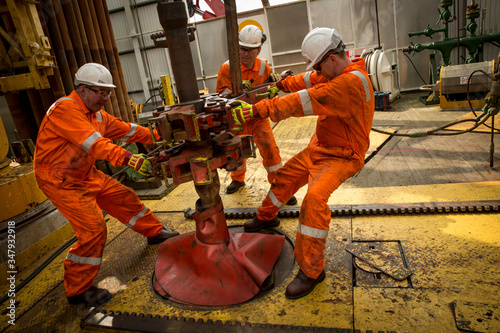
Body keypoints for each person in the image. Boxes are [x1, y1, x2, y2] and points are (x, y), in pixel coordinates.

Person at [230, 27, 375, 299]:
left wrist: (258, 109)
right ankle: (266, 217)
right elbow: (308, 79)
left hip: (343, 155)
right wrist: (282, 83)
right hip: (322, 146)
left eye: (320, 65)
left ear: (332, 59)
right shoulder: (341, 68)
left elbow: (301, 102)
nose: (318, 71)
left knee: (313, 202)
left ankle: (311, 271)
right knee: (285, 178)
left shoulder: (349, 84)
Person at [33, 63, 180, 306]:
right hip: (59, 179)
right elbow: (95, 144)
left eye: (107, 92)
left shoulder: (97, 115)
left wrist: (160, 134)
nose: (105, 97)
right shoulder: (65, 109)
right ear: (81, 89)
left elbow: (128, 130)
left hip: (84, 174)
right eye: (99, 92)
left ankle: (154, 232)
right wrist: (129, 158)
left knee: (125, 197)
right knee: (93, 229)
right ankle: (78, 290)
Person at [216, 25, 297, 205]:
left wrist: (274, 83)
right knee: (236, 149)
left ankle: (279, 187)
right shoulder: (227, 68)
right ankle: (238, 179)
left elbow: (270, 93)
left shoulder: (264, 67)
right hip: (236, 118)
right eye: (242, 49)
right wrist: (234, 91)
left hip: (257, 116)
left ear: (258, 49)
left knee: (269, 147)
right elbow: (220, 96)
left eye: (250, 50)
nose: (245, 54)